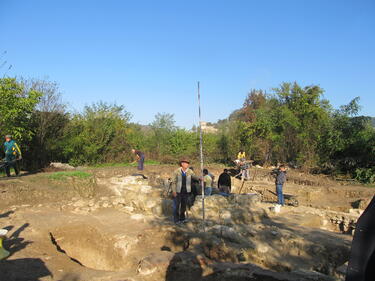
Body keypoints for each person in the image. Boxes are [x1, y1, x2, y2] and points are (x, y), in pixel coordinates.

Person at [171, 158, 197, 224]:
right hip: (178, 191)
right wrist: (174, 191)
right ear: (182, 164)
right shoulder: (176, 171)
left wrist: (199, 178)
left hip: (186, 191)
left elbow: (194, 176)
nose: (187, 164)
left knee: (183, 206)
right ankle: (176, 220)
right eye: (185, 163)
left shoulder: (190, 171)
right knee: (176, 206)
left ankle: (182, 218)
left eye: (188, 163)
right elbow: (173, 182)